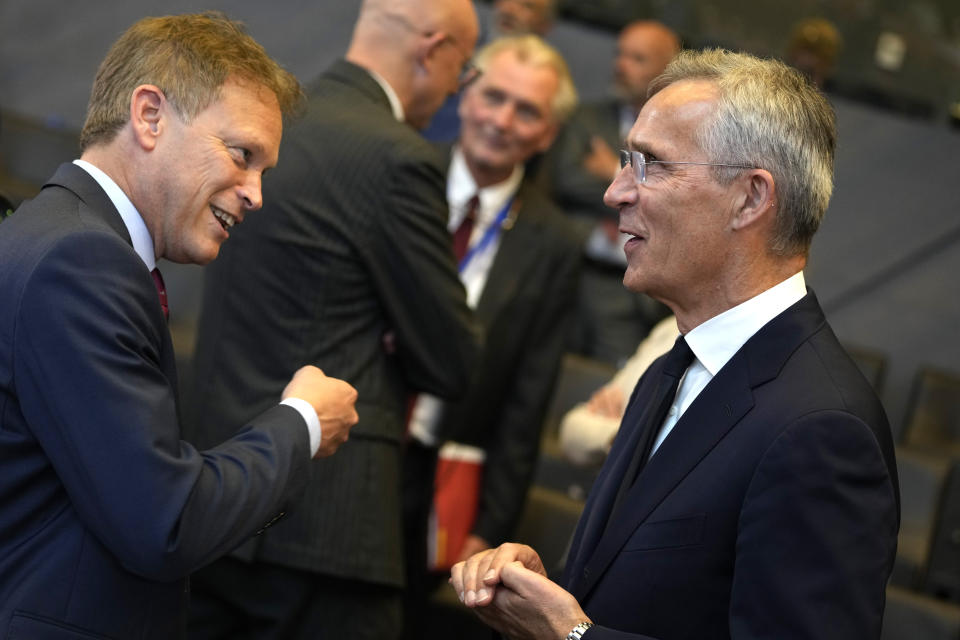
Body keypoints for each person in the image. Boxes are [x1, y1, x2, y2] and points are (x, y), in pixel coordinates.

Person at [451, 48, 900, 639]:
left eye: (651, 165)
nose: (614, 193)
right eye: (623, 161)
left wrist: (573, 636)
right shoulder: (674, 366)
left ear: (750, 198)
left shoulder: (823, 427)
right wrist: (550, 592)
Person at [0, 13, 360, 640]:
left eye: (263, 172)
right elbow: (164, 523)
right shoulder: (81, 262)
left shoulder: (55, 233)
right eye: (242, 155)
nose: (255, 194)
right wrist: (301, 423)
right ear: (149, 116)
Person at [184, 1, 481, 637]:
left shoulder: (267, 122)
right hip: (327, 524)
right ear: (431, 50)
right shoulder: (398, 158)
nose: (461, 83)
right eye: (464, 64)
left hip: (212, 484)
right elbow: (451, 359)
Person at [402, 33, 580, 633]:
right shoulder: (401, 177)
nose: (502, 120)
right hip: (356, 450)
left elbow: (526, 404)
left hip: (444, 482)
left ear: (548, 134)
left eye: (526, 109)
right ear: (466, 94)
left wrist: (491, 526)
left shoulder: (553, 243)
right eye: (494, 96)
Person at [539, 20, 680, 365]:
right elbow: (568, 179)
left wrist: (612, 171)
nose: (620, 65)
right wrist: (643, 187)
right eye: (620, 54)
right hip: (570, 274)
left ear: (666, 70)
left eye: (637, 58)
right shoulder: (583, 119)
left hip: (631, 297)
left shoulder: (678, 135)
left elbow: (675, 201)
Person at [422, 0, 557, 142]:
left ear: (545, 26)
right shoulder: (456, 50)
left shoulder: (544, 83)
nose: (510, 11)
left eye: (526, 6)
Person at [558, 315, 677, 468]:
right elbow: (571, 432)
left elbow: (664, 459)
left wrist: (617, 436)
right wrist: (615, 436)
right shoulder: (668, 329)